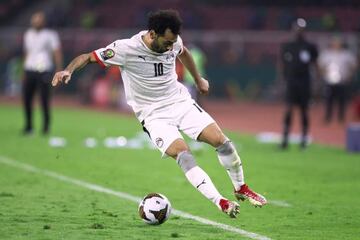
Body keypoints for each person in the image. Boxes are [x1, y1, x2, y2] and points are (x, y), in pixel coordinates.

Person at [52, 9, 266, 218]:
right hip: (153, 115)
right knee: (184, 155)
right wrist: (68, 70)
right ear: (153, 34)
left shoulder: (174, 41)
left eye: (173, 42)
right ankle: (220, 201)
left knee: (223, 142)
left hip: (180, 102)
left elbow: (184, 53)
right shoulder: (126, 49)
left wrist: (198, 79)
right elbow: (87, 57)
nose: (170, 47)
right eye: (167, 42)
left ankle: (241, 188)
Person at [279, 18, 318, 149]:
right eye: (297, 28)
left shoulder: (310, 46)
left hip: (304, 82)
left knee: (304, 111)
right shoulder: (287, 46)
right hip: (291, 82)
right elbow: (282, 65)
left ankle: (304, 140)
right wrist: (282, 80)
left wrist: (317, 82)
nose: (299, 31)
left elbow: (315, 64)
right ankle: (284, 140)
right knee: (289, 110)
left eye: (301, 29)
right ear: (293, 29)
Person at [23, 11, 63, 135]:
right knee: (27, 99)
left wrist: (59, 69)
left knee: (44, 100)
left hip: (44, 69)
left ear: (43, 21)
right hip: (29, 69)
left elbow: (57, 52)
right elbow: (26, 52)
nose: (36, 21)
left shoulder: (50, 35)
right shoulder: (28, 34)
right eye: (35, 19)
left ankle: (46, 127)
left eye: (39, 19)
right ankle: (29, 126)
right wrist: (23, 70)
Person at [318, 36, 357, 123]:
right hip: (329, 81)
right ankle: (328, 117)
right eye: (335, 42)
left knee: (342, 101)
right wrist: (324, 74)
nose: (336, 44)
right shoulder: (326, 54)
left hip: (342, 81)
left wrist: (349, 75)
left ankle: (341, 118)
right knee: (329, 101)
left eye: (338, 42)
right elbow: (320, 65)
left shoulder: (346, 54)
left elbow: (354, 65)